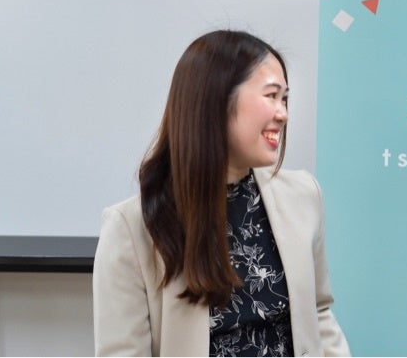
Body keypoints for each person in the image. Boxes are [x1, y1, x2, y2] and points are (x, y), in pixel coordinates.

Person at [93, 30, 350, 357]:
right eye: (271, 96)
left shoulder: (303, 196)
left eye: (285, 99)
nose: (283, 113)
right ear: (215, 100)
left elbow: (318, 311)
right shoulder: (132, 228)